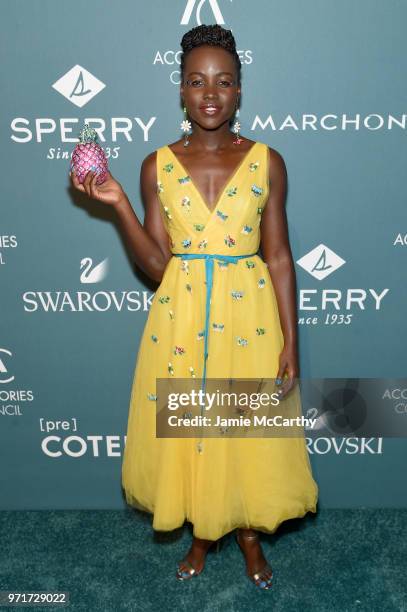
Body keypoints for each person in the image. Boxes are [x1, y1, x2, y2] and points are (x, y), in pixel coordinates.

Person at [70, 24, 318, 590]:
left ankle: (249, 535)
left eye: (224, 81)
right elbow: (157, 268)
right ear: (180, 90)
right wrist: (118, 206)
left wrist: (291, 343)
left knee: (246, 428)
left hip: (250, 316)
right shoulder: (156, 164)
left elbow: (278, 257)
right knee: (195, 426)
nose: (210, 93)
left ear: (240, 91)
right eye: (196, 81)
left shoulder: (267, 161)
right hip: (180, 317)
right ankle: (204, 533)